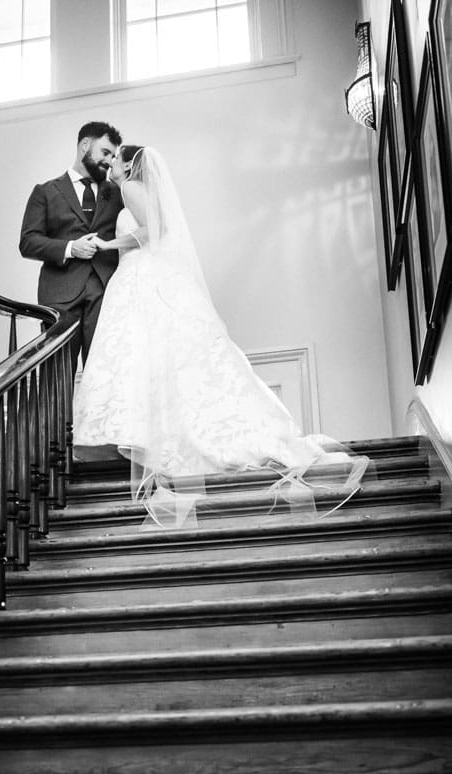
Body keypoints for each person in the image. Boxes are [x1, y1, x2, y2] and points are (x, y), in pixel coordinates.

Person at [73, 144, 370, 527]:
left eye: (115, 158)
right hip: (147, 275)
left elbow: (152, 231)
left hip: (140, 275)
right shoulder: (137, 190)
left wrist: (107, 244)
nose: (109, 163)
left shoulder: (131, 189)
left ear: (130, 165)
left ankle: (156, 435)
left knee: (145, 356)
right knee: (162, 358)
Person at [19, 122, 125, 368]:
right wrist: (70, 248)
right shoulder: (45, 191)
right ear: (85, 145)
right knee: (57, 375)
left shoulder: (119, 193)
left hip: (107, 293)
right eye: (105, 152)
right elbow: (28, 242)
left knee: (104, 373)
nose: (109, 161)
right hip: (60, 297)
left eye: (113, 156)